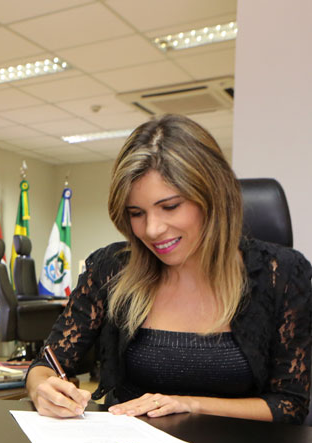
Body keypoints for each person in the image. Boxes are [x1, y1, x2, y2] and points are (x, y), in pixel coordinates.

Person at [26, 114, 311, 424]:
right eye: (136, 213)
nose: (152, 229)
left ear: (213, 197)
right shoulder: (109, 269)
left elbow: (289, 405)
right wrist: (42, 387)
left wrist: (190, 404)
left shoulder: (282, 274)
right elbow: (46, 364)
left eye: (170, 206)